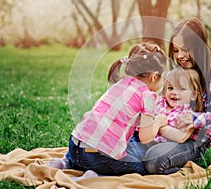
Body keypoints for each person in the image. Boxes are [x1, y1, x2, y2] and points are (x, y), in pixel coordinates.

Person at [47, 43, 168, 177]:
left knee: (89, 149)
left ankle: (65, 163)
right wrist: (159, 121)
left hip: (75, 145)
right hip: (98, 157)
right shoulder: (148, 96)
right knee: (141, 168)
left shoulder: (119, 84)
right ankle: (95, 176)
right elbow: (145, 137)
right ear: (154, 76)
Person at [143, 18, 211, 174]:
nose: (180, 56)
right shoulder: (174, 74)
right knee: (126, 152)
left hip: (191, 142)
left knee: (154, 160)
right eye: (176, 50)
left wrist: (198, 119)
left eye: (185, 49)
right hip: (161, 133)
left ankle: (179, 173)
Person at [152, 66, 204, 144]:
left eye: (182, 89)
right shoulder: (159, 102)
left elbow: (181, 137)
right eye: (170, 88)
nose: (174, 92)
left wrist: (158, 125)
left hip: (165, 145)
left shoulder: (188, 114)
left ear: (193, 95)